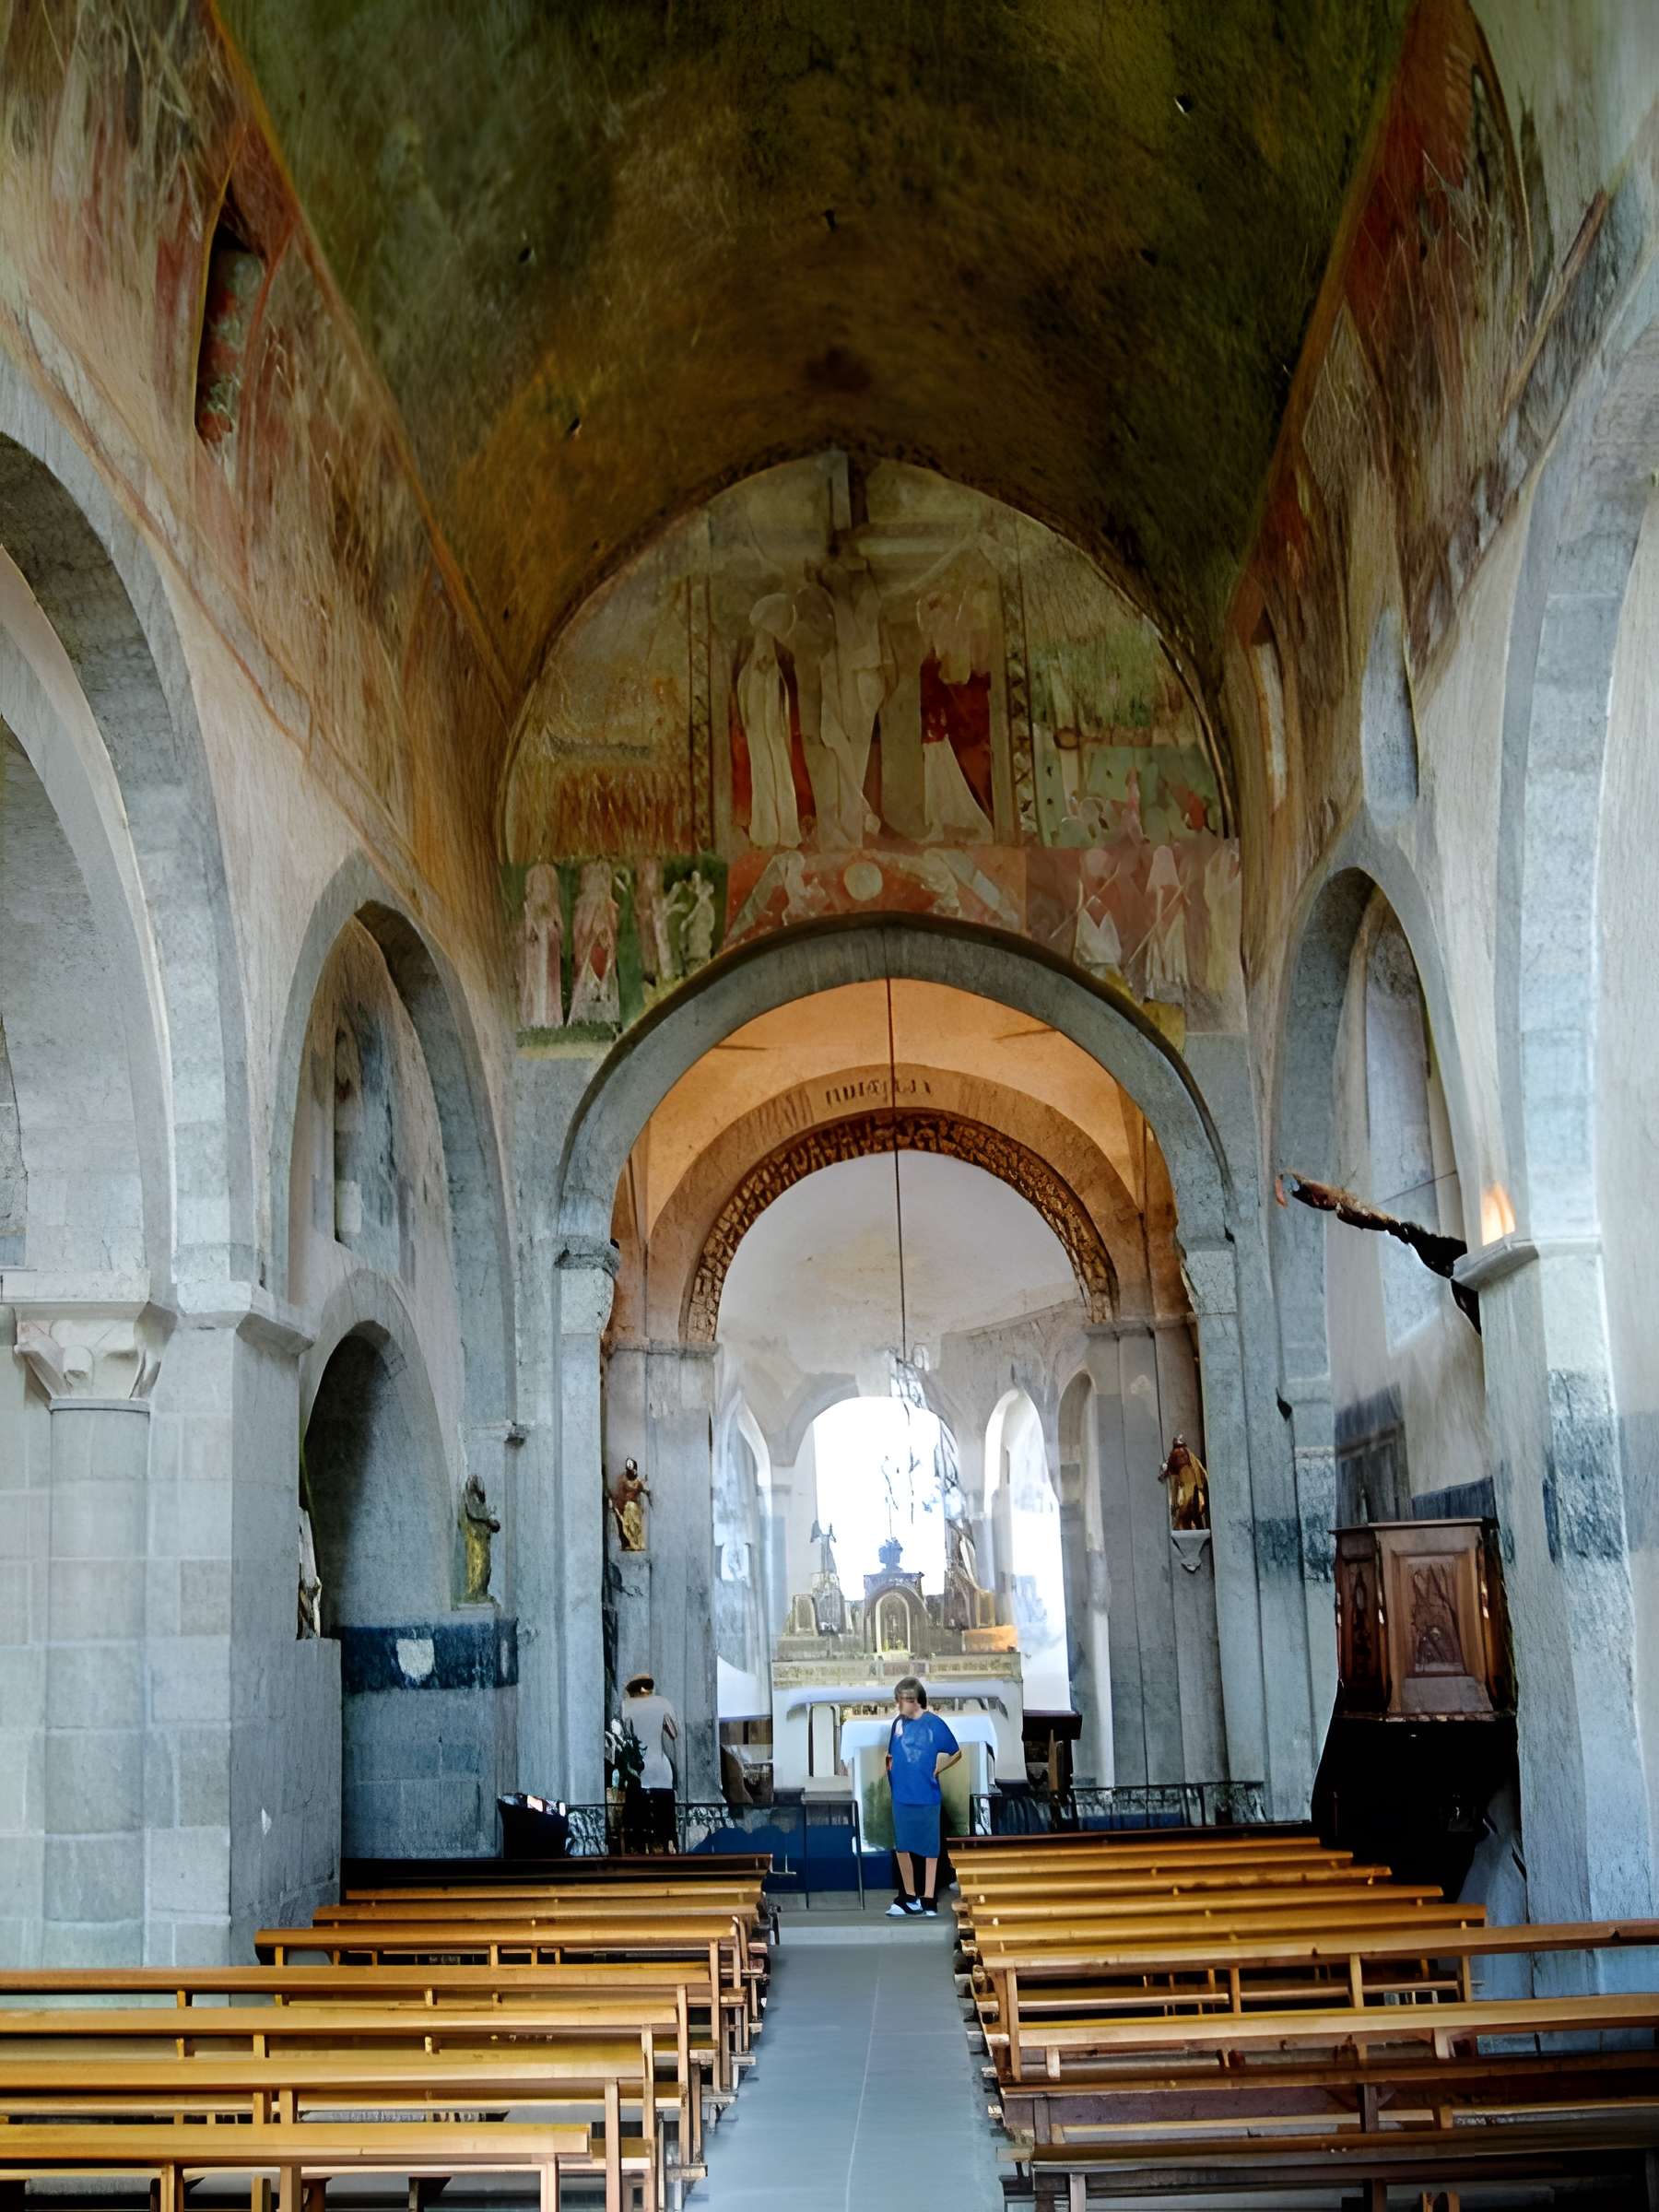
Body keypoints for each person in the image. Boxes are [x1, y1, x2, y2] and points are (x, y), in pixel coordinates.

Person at [884, 1675, 960, 1917]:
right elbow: (891, 1752)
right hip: (902, 1796)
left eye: (902, 1701)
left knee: (929, 1848)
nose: (899, 1706)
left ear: (915, 1701)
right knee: (903, 1847)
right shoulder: (898, 1723)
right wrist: (891, 1771)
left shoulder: (934, 1724)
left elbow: (956, 1752)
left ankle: (928, 1898)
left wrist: (939, 1767)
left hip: (926, 1795)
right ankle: (909, 1897)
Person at [621, 1671, 679, 1853]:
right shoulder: (663, 1703)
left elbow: (624, 1735)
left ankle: (640, 1848)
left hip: (638, 1770)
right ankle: (667, 1845)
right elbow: (673, 1733)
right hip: (660, 1768)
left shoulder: (626, 1706)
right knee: (665, 1816)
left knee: (639, 1820)